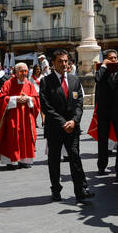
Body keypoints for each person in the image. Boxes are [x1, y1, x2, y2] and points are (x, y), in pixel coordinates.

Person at [39, 49, 93, 203]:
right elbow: (46, 106)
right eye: (60, 61)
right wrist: (63, 123)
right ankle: (56, 190)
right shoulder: (46, 81)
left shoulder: (75, 80)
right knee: (54, 160)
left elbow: (79, 103)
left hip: (72, 127)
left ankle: (81, 190)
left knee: (75, 157)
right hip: (55, 128)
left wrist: (74, 121)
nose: (64, 64)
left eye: (66, 61)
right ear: (53, 63)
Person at [0, 63, 40, 170]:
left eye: (26, 71)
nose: (24, 74)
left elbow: (36, 99)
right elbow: (1, 99)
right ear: (16, 72)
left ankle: (25, 160)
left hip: (26, 117)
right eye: (21, 71)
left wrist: (29, 99)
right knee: (13, 136)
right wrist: (15, 99)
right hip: (13, 116)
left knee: (26, 137)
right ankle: (12, 161)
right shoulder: (8, 83)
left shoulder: (29, 84)